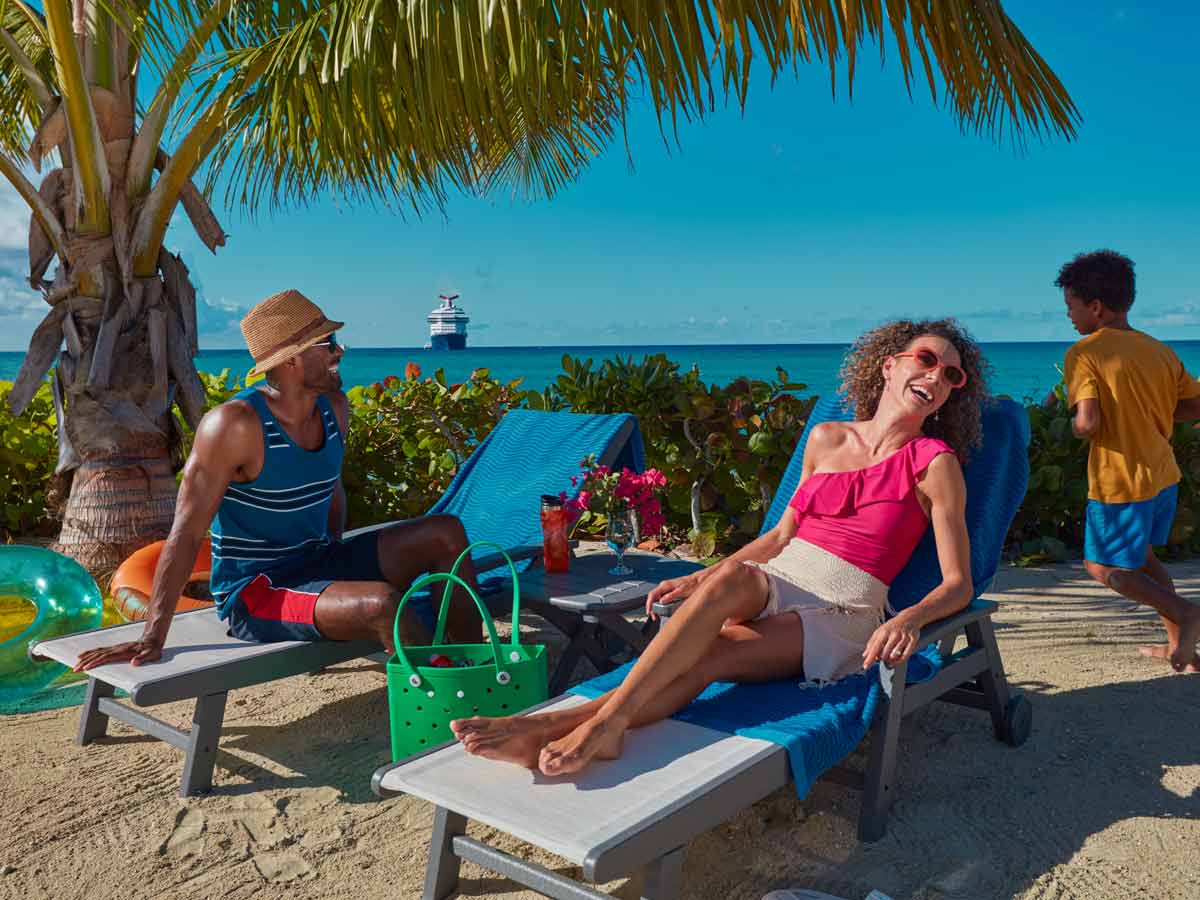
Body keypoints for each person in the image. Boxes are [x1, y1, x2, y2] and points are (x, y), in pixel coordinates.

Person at [451, 319, 985, 775]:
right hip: (782, 572)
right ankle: (593, 725)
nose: (937, 377)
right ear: (889, 365)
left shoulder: (935, 464)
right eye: (927, 359)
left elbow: (957, 583)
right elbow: (779, 537)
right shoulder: (826, 438)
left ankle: (568, 723)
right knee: (725, 579)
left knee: (706, 656)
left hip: (841, 607)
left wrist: (909, 619)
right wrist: (700, 579)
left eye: (951, 375)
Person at [75, 289, 482, 672]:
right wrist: (152, 634)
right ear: (291, 361)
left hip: (318, 564)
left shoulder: (334, 409)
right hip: (257, 592)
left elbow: (332, 490)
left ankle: (477, 665)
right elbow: (186, 531)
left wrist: (336, 582)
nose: (339, 351)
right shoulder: (234, 426)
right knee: (382, 605)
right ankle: (451, 704)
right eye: (327, 344)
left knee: (446, 533)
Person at [1043, 250, 1200, 673]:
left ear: (1094, 307)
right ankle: (1180, 649)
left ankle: (1187, 615)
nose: (1070, 317)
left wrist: (1073, 420)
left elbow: (1088, 422)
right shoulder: (1159, 351)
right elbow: (1195, 405)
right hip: (1162, 475)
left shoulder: (1085, 353)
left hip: (1120, 483)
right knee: (1145, 560)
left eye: (1071, 308)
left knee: (1100, 565)